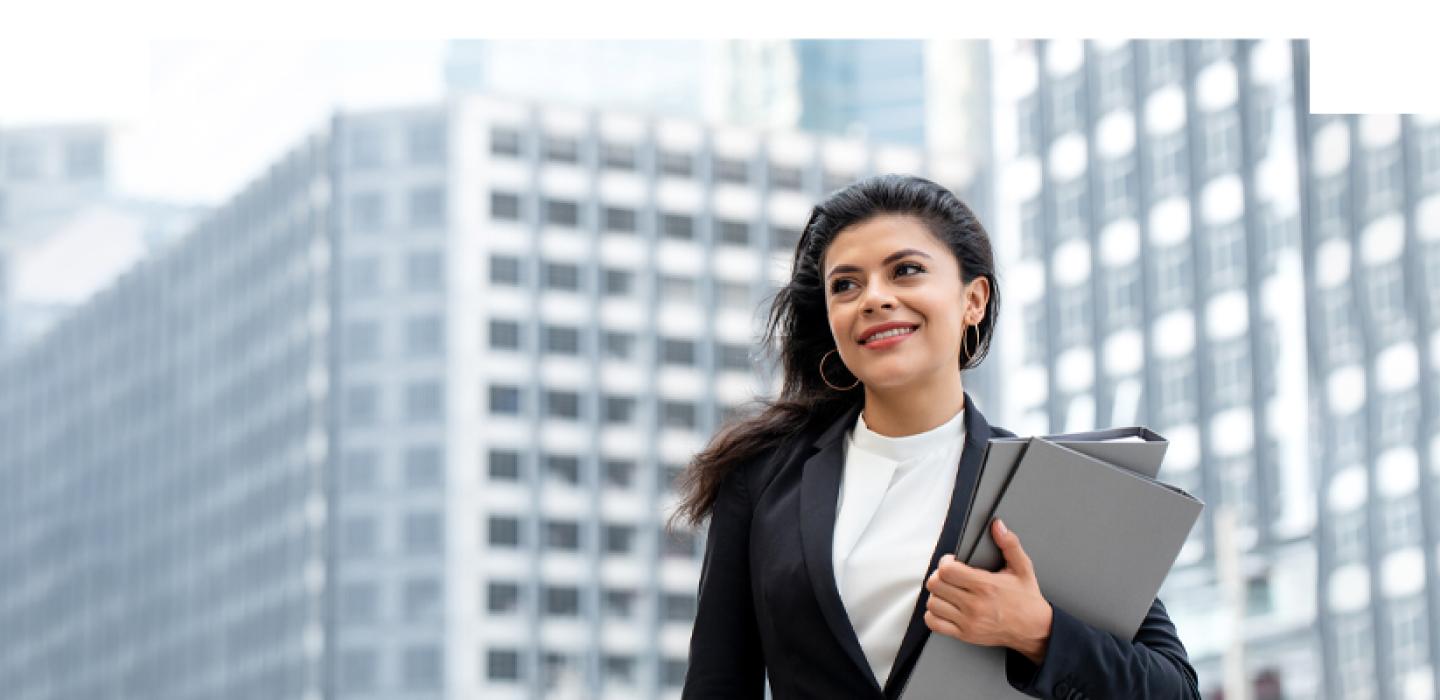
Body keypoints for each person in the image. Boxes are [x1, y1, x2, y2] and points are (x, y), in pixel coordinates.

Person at [672, 175, 1200, 699]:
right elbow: (716, 686)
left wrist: (1039, 632)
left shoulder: (1052, 484)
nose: (874, 298)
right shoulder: (763, 482)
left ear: (974, 299)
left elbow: (1176, 691)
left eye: (906, 271)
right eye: (846, 285)